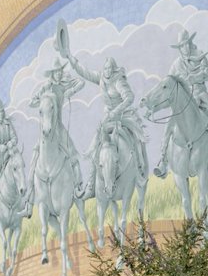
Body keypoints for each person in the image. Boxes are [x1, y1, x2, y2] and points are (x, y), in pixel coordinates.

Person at [58, 50, 148, 200]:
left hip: (124, 116)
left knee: (136, 141)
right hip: (109, 119)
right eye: (104, 68)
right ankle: (90, 187)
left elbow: (129, 97)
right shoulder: (101, 78)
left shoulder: (119, 81)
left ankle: (139, 172)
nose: (106, 71)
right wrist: (71, 59)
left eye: (108, 69)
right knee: (96, 147)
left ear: (113, 69)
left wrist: (116, 111)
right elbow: (84, 72)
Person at [154, 29, 208, 177]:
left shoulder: (199, 55)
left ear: (190, 43)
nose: (184, 48)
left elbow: (207, 73)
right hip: (184, 100)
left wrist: (193, 78)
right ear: (179, 48)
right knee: (168, 126)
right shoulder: (176, 64)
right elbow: (170, 82)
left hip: (199, 93)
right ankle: (163, 160)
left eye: (186, 44)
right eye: (181, 46)